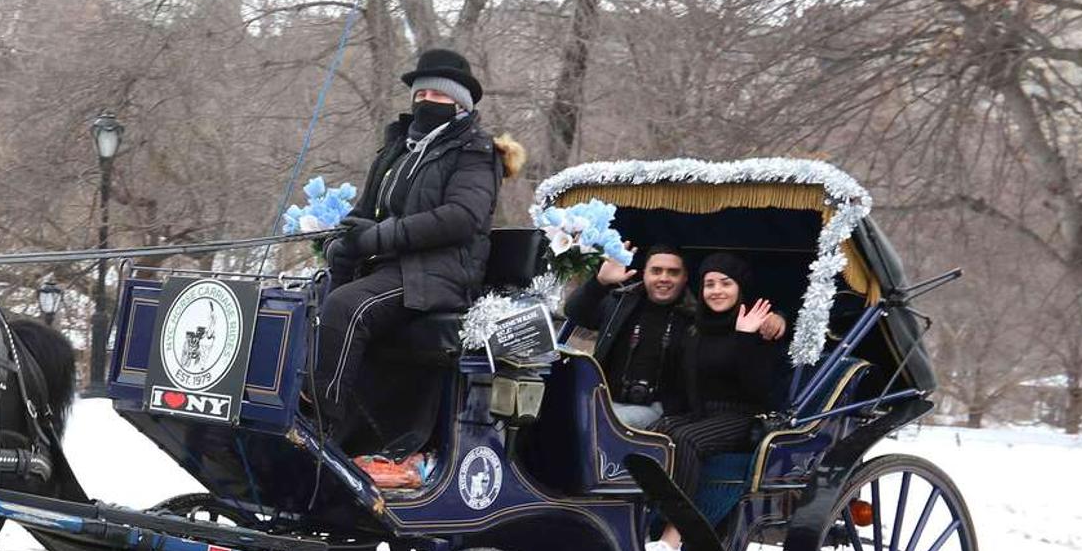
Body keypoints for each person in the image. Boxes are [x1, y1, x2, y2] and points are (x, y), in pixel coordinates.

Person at [313, 47, 524, 486]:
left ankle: (318, 423)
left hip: (437, 275)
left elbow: (461, 217)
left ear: (459, 103)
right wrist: (344, 243)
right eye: (419, 91)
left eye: (437, 94)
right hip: (388, 268)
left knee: (345, 309)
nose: (425, 100)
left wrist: (379, 237)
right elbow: (365, 211)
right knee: (311, 298)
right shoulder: (397, 149)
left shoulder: (475, 151)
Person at [644, 252, 787, 551]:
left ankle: (672, 539)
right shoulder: (696, 329)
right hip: (702, 413)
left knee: (685, 439)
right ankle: (643, 522)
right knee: (655, 434)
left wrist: (744, 338)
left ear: (740, 288)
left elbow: (759, 389)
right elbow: (682, 383)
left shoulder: (759, 326)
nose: (717, 291)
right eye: (709, 284)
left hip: (743, 417)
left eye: (725, 283)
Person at [565, 245, 787, 429]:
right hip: (605, 399)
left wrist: (777, 317)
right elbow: (575, 313)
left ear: (685, 278)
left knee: (599, 424)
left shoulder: (698, 316)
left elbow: (739, 314)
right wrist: (600, 282)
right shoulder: (620, 302)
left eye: (673, 272)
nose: (664, 278)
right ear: (644, 273)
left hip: (660, 408)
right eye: (656, 271)